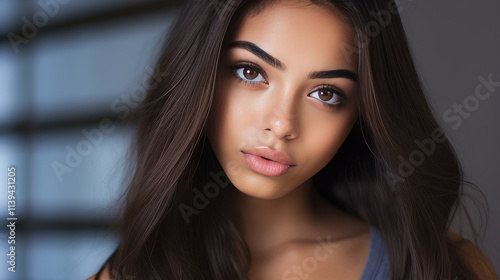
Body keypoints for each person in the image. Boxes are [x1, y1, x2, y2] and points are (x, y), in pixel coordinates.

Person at [87, 0, 498, 279]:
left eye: (326, 94)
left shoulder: (443, 267)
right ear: (200, 75)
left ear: (361, 114)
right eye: (251, 72)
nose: (282, 124)